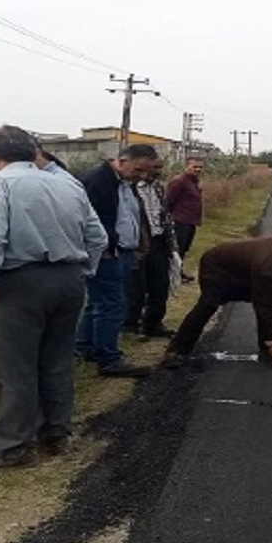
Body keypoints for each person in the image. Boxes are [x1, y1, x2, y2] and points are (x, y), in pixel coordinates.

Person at [0, 126, 109, 468]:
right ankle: (56, 433)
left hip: (20, 282)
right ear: (34, 152)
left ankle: (12, 445)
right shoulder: (67, 183)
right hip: (69, 279)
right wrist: (83, 271)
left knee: (15, 367)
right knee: (56, 361)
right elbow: (98, 237)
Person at [158, 235, 272, 369]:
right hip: (219, 265)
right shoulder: (268, 271)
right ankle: (177, 350)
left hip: (249, 265)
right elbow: (265, 307)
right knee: (208, 305)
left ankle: (267, 344)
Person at [76, 144, 160, 378]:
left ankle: (85, 346)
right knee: (112, 306)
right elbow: (88, 221)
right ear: (122, 161)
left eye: (146, 171)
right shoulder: (98, 181)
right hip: (106, 254)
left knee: (98, 303)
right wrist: (104, 248)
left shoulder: (124, 182)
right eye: (138, 170)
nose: (142, 176)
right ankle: (109, 358)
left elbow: (128, 216)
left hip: (121, 252)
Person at [125, 162, 177, 338]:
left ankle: (153, 324)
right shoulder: (128, 188)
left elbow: (165, 215)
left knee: (160, 285)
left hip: (159, 241)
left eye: (159, 169)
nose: (156, 173)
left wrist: (172, 244)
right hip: (139, 244)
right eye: (153, 169)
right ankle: (131, 326)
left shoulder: (158, 187)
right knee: (137, 287)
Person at [165, 157, 204, 282]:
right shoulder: (179, 181)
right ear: (186, 166)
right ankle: (173, 275)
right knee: (177, 249)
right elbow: (168, 201)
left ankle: (179, 273)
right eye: (194, 167)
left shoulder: (194, 182)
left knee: (184, 249)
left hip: (190, 221)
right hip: (179, 221)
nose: (198, 169)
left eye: (200, 167)